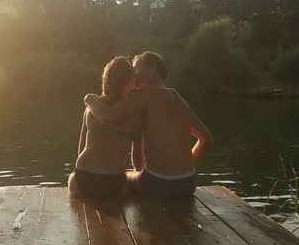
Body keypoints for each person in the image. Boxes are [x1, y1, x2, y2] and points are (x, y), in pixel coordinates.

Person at [84, 52, 214, 198]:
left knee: (123, 179)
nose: (133, 75)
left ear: (152, 69)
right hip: (188, 183)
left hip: (158, 184)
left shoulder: (145, 94)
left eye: (136, 69)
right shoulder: (178, 98)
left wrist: (90, 100)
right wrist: (183, 166)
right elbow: (207, 139)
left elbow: (109, 116)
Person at [68, 56, 144, 198]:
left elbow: (81, 147)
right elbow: (138, 162)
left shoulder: (92, 107)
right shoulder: (136, 115)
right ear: (129, 83)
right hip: (114, 183)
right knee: (131, 179)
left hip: (83, 180)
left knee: (72, 177)